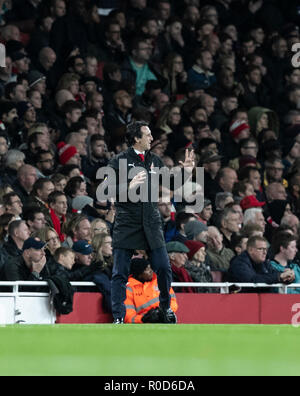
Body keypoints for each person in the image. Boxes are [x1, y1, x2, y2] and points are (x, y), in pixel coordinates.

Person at [102, 121, 195, 324]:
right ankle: (118, 316)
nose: (152, 138)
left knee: (163, 267)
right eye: (148, 135)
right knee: (120, 271)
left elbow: (171, 184)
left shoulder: (155, 160)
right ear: (136, 138)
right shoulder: (118, 161)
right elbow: (105, 190)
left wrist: (186, 172)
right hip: (128, 221)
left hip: (151, 222)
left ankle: (165, 308)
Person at [227, 236, 295, 292]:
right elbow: (253, 280)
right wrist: (280, 276)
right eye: (260, 249)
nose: (265, 252)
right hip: (240, 302)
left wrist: (287, 277)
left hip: (259, 302)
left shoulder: (264, 262)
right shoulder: (239, 263)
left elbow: (273, 274)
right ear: (250, 250)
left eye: (265, 249)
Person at [124, 258, 178, 324]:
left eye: (150, 268)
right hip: (143, 327)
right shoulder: (129, 289)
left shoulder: (160, 281)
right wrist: (144, 319)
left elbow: (173, 301)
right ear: (139, 274)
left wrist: (164, 312)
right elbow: (128, 317)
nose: (151, 271)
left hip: (165, 320)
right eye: (147, 269)